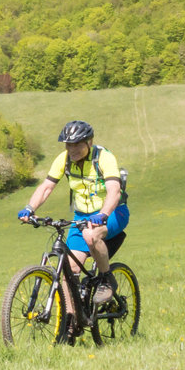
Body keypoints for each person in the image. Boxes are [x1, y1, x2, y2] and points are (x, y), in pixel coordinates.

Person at [17, 120, 127, 309]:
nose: (72, 149)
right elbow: (46, 187)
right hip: (81, 216)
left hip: (113, 212)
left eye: (77, 144)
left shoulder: (104, 158)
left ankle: (107, 279)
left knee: (92, 235)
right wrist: (30, 208)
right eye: (69, 144)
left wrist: (103, 215)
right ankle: (70, 322)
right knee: (70, 270)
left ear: (89, 142)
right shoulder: (64, 159)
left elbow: (114, 191)